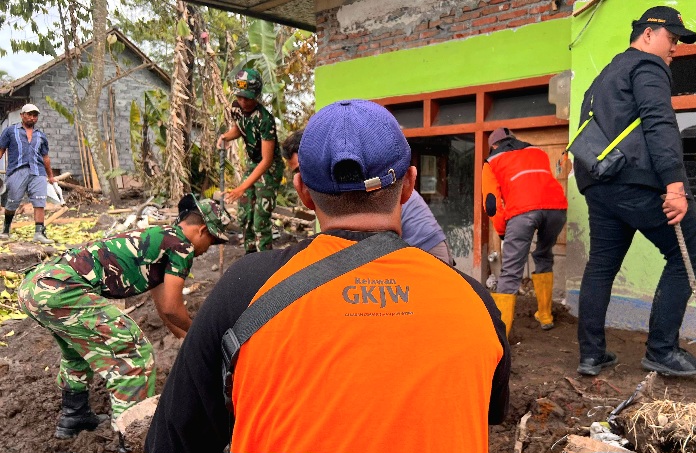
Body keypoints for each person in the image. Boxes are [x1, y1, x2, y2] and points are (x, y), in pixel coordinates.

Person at [145, 99, 510, 453]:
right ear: (410, 185)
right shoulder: (475, 302)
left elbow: (172, 439)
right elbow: (483, 412)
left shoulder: (244, 289)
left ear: (303, 190)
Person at [17, 194, 228, 444]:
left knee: (78, 350)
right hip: (61, 289)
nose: (206, 250)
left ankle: (74, 416)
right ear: (202, 231)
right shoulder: (182, 245)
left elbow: (164, 308)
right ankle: (132, 440)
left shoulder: (158, 239)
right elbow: (173, 308)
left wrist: (188, 340)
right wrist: (200, 335)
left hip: (36, 285)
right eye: (212, 242)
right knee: (134, 354)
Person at [574, 6, 696, 377]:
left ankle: (591, 355)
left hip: (598, 182)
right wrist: (675, 186)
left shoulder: (605, 74)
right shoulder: (647, 66)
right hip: (635, 180)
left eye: (680, 41)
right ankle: (662, 351)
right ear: (648, 33)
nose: (676, 48)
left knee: (601, 265)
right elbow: (660, 122)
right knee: (691, 253)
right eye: (673, 37)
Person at [283, 128, 455, 264]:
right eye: (297, 171)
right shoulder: (333, 189)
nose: (303, 176)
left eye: (304, 168)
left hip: (425, 248)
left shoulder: (355, 184)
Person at [482, 127, 568, 336]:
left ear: (494, 145)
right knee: (543, 254)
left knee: (510, 272)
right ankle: (545, 316)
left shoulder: (492, 161)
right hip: (556, 209)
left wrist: (503, 232)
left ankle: (500, 337)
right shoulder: (538, 152)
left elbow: (492, 204)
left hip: (522, 212)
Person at [217, 68, 284, 253]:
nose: (243, 102)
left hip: (269, 169)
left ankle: (265, 261)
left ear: (257, 95)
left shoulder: (265, 119)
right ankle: (250, 256)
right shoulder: (236, 108)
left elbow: (267, 160)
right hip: (254, 164)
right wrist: (225, 137)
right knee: (245, 215)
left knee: (260, 218)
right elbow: (240, 128)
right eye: (240, 97)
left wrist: (242, 187)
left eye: (247, 98)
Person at [0, 103, 56, 243]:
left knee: (39, 201)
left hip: (38, 172)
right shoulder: (10, 131)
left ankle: (39, 233)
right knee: (12, 202)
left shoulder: (41, 135)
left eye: (35, 115)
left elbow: (45, 157)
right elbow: (1, 150)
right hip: (17, 171)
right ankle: (6, 231)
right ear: (22, 115)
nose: (32, 118)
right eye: (29, 114)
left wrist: (50, 176)